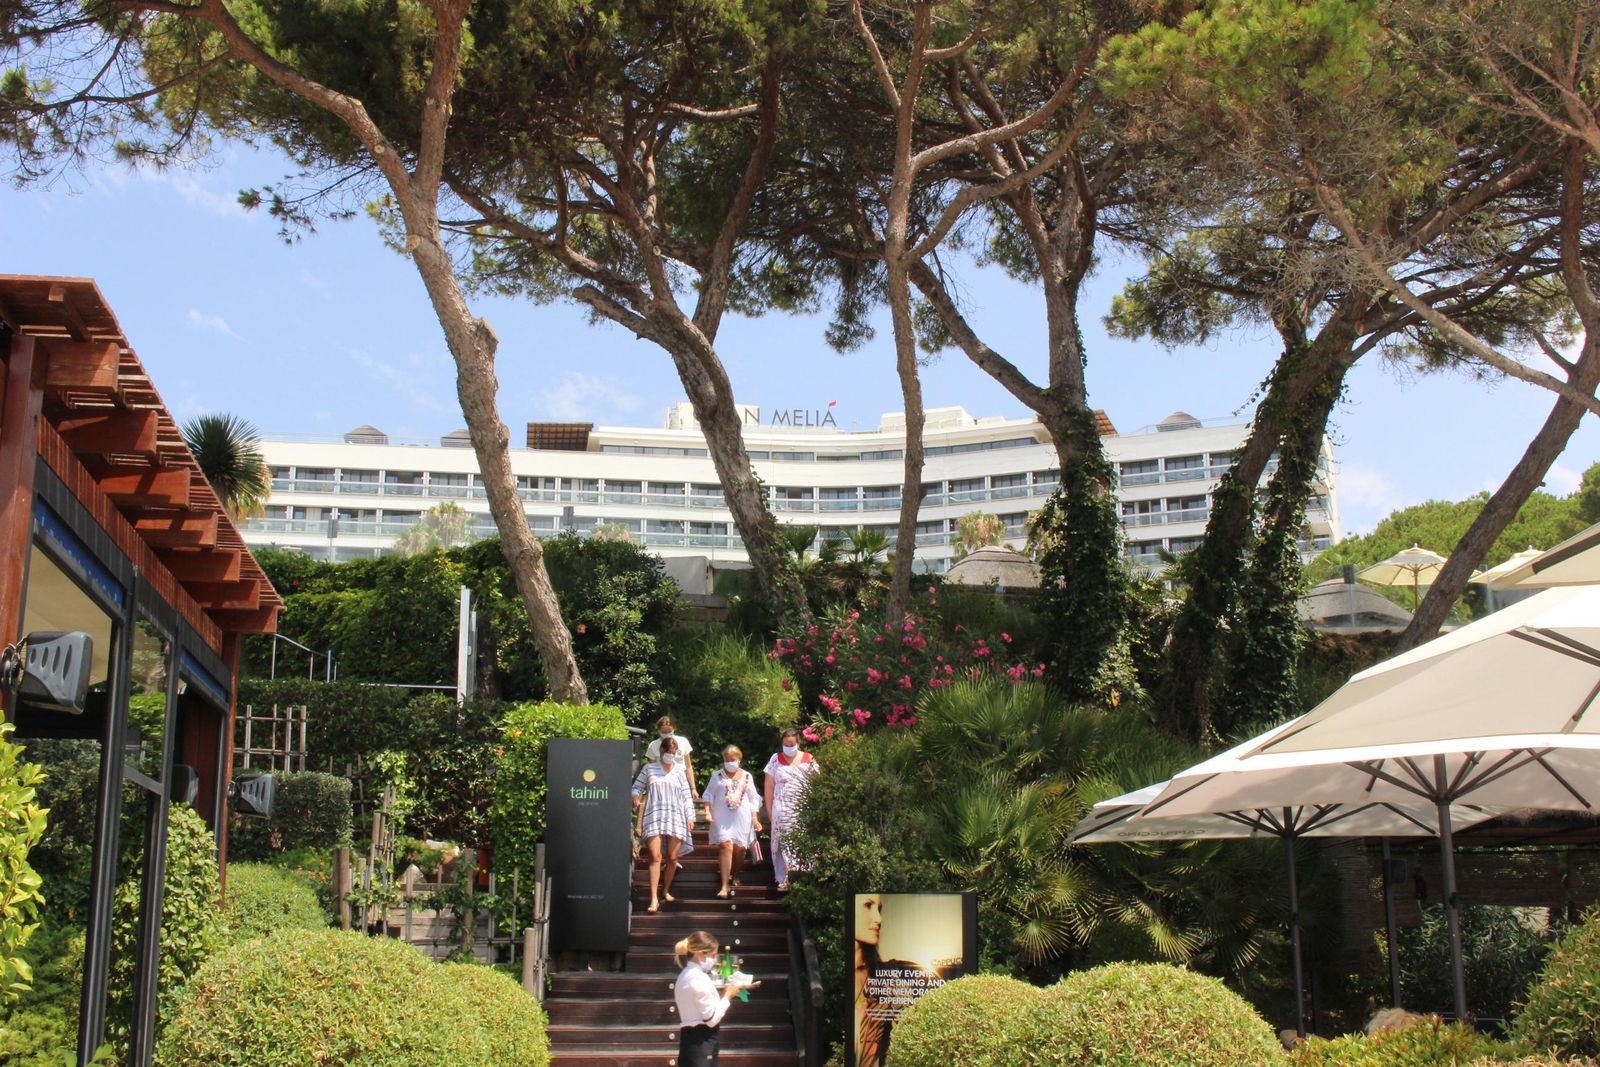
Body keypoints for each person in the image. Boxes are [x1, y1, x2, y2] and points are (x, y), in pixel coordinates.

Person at [852, 894, 956, 1067]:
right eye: (868, 906)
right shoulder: (843, 978)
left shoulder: (892, 975)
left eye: (879, 909)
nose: (878, 918)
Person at [632, 735, 695, 913]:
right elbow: (637, 787)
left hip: (676, 816)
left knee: (673, 857)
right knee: (654, 856)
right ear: (661, 752)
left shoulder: (679, 773)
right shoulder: (649, 769)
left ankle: (665, 889)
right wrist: (635, 796)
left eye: (673, 753)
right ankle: (653, 898)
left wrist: (691, 817)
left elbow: (686, 797)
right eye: (668, 752)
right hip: (654, 815)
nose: (671, 755)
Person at [674, 930, 750, 1067]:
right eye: (713, 955)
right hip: (701, 1044)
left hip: (690, 1044)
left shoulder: (685, 975)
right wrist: (728, 996)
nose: (714, 960)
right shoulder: (698, 978)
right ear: (699, 954)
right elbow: (711, 1019)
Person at [762, 728, 819, 892]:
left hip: (803, 808)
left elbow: (818, 783)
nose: (788, 747)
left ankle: (802, 876)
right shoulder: (775, 759)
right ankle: (786, 877)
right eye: (785, 744)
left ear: (798, 743)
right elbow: (769, 786)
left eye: (792, 744)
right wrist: (769, 810)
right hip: (781, 807)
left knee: (801, 840)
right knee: (784, 842)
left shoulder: (809, 759)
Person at [702, 745, 762, 898]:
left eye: (733, 760)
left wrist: (755, 819)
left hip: (742, 818)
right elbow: (708, 794)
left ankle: (735, 873)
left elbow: (753, 798)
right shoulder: (717, 776)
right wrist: (707, 812)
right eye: (727, 760)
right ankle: (724, 885)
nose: (730, 762)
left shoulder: (747, 776)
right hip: (722, 817)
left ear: (739, 760)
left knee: (739, 850)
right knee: (725, 845)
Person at [645, 715, 703, 808]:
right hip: (662, 784)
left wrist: (693, 788)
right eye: (664, 732)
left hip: (680, 783)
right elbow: (651, 770)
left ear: (674, 728)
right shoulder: (653, 745)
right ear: (658, 731)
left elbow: (688, 766)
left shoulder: (683, 741)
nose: (667, 734)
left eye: (669, 731)